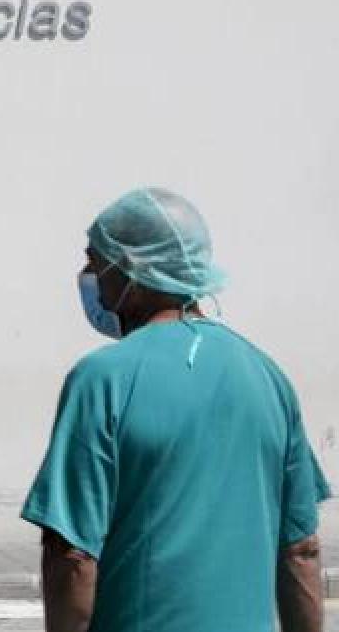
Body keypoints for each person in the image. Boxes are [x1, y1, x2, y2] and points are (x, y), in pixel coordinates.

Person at [22, 187, 331, 632]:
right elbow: (300, 550)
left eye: (96, 261)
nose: (89, 275)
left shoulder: (101, 380)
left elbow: (71, 555)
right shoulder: (267, 377)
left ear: (134, 269)